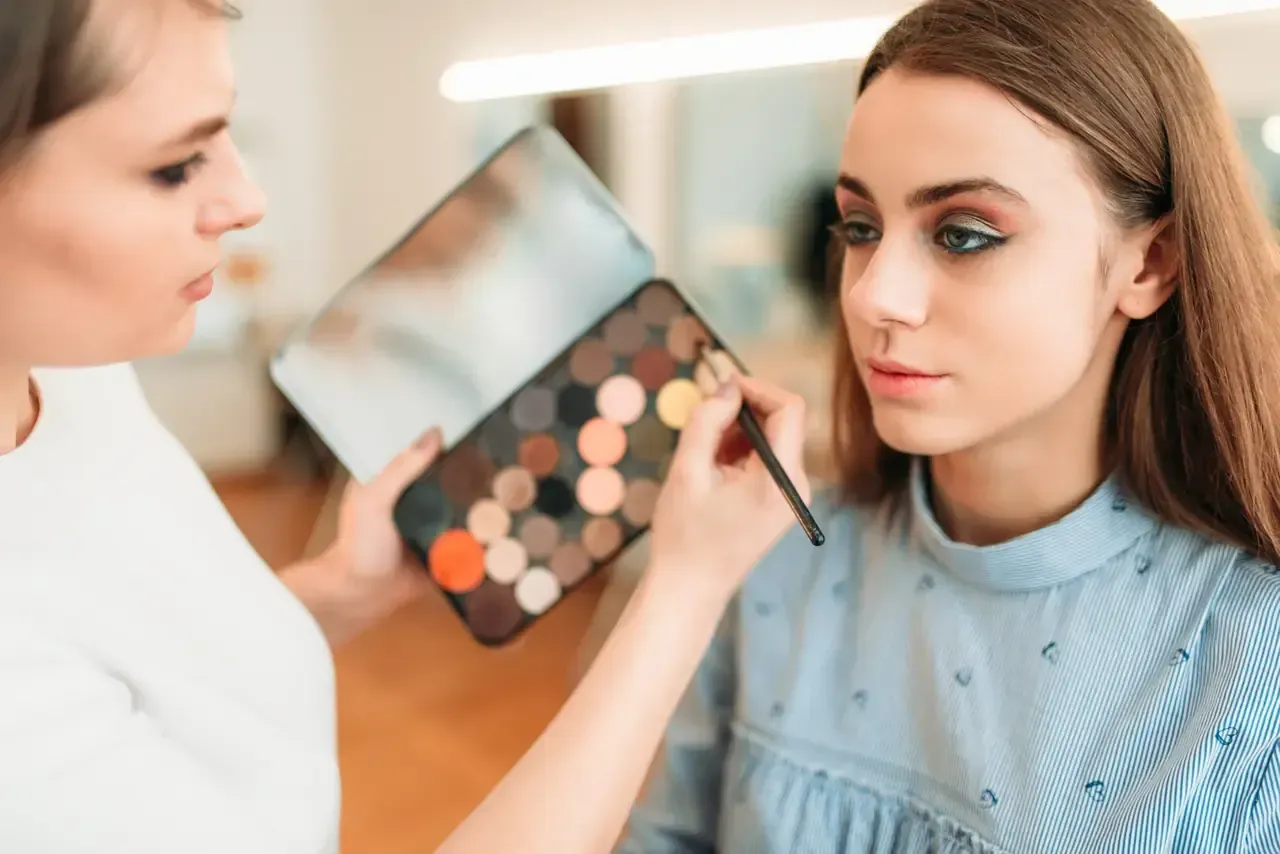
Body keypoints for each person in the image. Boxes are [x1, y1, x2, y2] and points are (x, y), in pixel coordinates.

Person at [0, 2, 809, 853]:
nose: (247, 199)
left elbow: (155, 681)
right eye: (174, 166)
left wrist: (340, 588)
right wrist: (688, 583)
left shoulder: (67, 364)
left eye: (225, 134)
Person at [619, 0, 1280, 852]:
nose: (870, 295)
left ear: (1150, 263)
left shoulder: (1254, 666)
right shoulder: (773, 562)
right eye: (860, 227)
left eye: (963, 234)